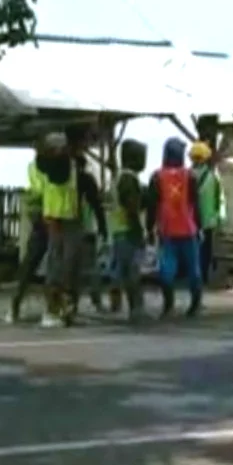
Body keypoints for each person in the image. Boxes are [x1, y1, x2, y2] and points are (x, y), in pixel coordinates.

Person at [146, 137, 203, 318]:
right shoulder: (190, 176)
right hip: (188, 229)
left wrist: (149, 227)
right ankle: (195, 305)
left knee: (166, 271)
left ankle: (168, 305)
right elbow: (196, 204)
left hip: (167, 230)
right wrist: (200, 227)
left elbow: (152, 205)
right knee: (194, 270)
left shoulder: (156, 177)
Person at [35, 131, 83, 328]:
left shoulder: (64, 165)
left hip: (63, 216)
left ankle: (63, 307)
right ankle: (55, 308)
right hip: (60, 217)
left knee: (65, 265)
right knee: (60, 265)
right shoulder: (57, 165)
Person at [8, 139, 50, 323]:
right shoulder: (41, 167)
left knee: (33, 262)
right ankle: (17, 304)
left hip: (43, 213)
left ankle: (15, 305)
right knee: (48, 262)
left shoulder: (35, 167)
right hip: (47, 213)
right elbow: (41, 189)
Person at [106, 138, 147, 320]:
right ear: (132, 159)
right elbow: (132, 209)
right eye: (141, 157)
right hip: (128, 231)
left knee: (120, 271)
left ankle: (116, 305)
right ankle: (136, 308)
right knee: (132, 272)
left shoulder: (120, 177)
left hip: (118, 230)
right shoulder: (129, 179)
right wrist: (138, 231)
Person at [73, 154, 108, 317]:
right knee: (92, 267)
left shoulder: (67, 180)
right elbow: (97, 205)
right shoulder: (87, 179)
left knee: (72, 268)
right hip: (87, 228)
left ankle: (72, 302)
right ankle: (96, 301)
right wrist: (103, 227)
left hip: (70, 228)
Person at [189, 141, 223, 288]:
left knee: (191, 250)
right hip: (208, 221)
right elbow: (218, 199)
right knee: (205, 251)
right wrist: (218, 218)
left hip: (189, 221)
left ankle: (192, 277)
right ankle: (202, 278)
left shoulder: (185, 176)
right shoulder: (212, 178)